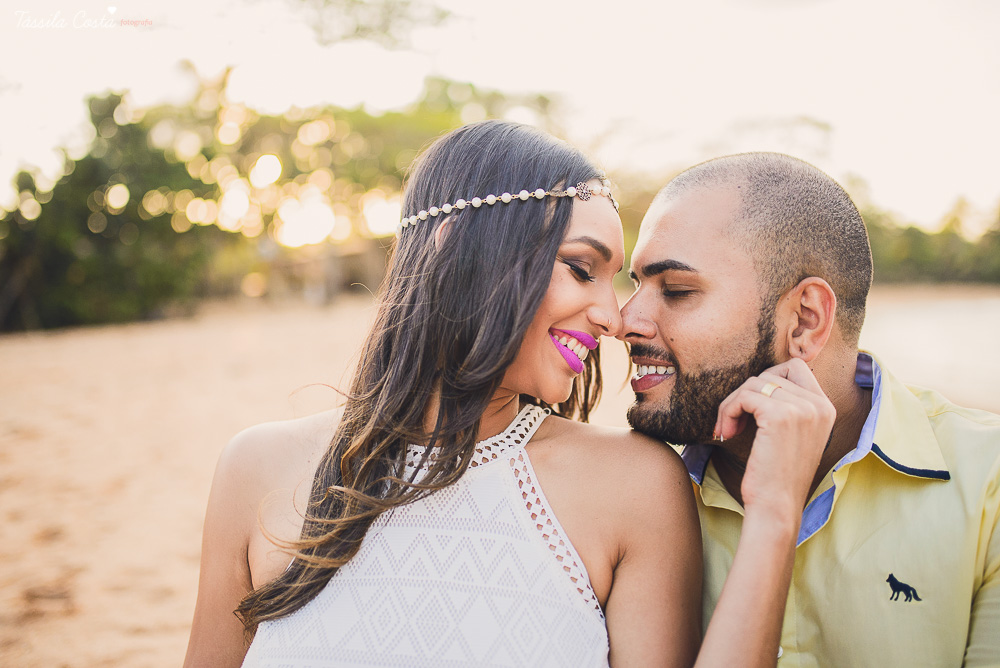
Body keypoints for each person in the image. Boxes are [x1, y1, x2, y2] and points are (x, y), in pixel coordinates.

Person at [184, 122, 832, 668]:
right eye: (582, 269)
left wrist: (775, 513)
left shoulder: (634, 488)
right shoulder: (256, 470)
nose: (613, 318)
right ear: (459, 251)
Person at [620, 151, 1000, 666]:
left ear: (804, 320)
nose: (626, 320)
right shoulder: (621, 497)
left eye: (678, 290)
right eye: (635, 284)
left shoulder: (989, 484)